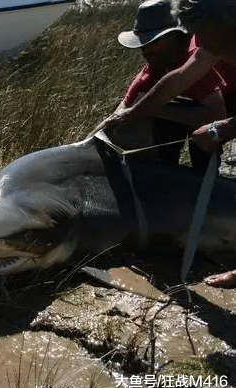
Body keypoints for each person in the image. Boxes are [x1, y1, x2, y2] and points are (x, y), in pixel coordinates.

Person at [102, 0, 236, 288]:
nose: (198, 42)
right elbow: (177, 78)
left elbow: (219, 115)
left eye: (203, 34)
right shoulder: (210, 41)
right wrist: (132, 114)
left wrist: (220, 129)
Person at [94, 0, 226, 169]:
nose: (146, 51)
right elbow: (120, 114)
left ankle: (208, 185)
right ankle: (165, 173)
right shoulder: (154, 68)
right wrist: (83, 144)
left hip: (229, 102)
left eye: (153, 42)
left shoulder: (196, 55)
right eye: (142, 44)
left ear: (172, 36)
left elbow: (218, 115)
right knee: (151, 115)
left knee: (202, 143)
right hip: (206, 109)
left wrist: (153, 109)